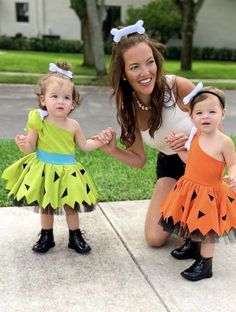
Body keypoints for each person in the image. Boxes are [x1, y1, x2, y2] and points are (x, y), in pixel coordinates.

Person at [95, 20, 198, 253]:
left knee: (200, 232)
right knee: (154, 237)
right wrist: (112, 149)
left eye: (149, 62)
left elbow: (216, 128)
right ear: (123, 73)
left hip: (200, 163)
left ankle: (214, 200)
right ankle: (184, 206)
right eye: (135, 67)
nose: (145, 72)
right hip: (170, 165)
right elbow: (139, 159)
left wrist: (193, 142)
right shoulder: (129, 108)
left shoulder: (178, 87)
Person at [2, 61, 111, 254]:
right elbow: (29, 148)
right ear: (43, 100)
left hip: (68, 171)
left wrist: (101, 140)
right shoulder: (38, 121)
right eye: (54, 96)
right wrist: (23, 144)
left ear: (73, 103)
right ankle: (46, 235)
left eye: (66, 97)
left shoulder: (73, 125)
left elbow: (84, 146)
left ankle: (75, 235)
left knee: (71, 206)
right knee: (47, 205)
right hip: (44, 169)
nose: (60, 101)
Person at [159, 85, 236, 281]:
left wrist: (234, 175)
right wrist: (177, 150)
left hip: (209, 193)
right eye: (199, 113)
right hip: (189, 187)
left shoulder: (224, 141)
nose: (205, 117)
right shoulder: (196, 135)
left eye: (212, 112)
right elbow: (191, 160)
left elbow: (232, 163)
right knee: (191, 221)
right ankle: (193, 247)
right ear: (192, 117)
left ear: (222, 114)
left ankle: (205, 263)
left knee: (206, 230)